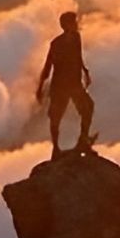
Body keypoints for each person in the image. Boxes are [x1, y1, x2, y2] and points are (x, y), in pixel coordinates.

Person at [36, 11, 95, 159]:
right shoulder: (56, 44)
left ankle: (83, 140)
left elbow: (78, 56)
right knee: (56, 117)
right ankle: (56, 148)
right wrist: (40, 86)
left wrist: (85, 71)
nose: (77, 24)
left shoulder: (76, 37)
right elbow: (48, 66)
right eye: (74, 22)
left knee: (88, 108)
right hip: (60, 86)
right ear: (66, 25)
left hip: (74, 84)